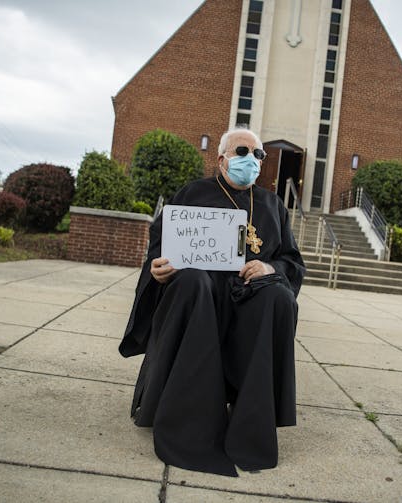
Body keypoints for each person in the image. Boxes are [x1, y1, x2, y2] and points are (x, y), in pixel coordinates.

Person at [119, 126, 306, 476]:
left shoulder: (273, 206)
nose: (251, 160)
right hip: (199, 294)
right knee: (192, 281)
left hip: (246, 298)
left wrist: (268, 266)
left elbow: (292, 261)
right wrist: (158, 268)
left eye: (258, 154)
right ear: (221, 159)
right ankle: (186, 413)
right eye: (241, 152)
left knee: (279, 296)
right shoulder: (192, 193)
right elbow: (161, 248)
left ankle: (251, 418)